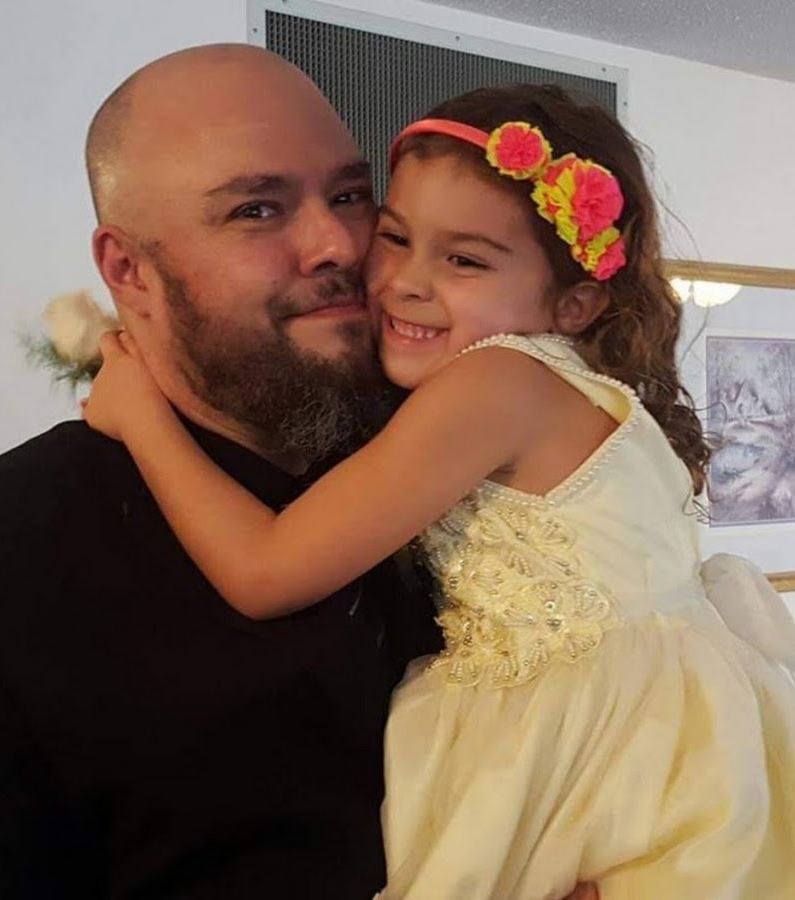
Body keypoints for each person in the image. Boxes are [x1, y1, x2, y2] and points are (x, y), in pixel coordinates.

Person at [84, 83, 795, 898]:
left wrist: (139, 414)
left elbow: (266, 571)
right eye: (394, 237)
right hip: (662, 742)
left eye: (464, 260)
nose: (404, 282)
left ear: (574, 302)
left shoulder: (495, 383)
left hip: (587, 749)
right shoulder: (563, 385)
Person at [0, 44, 446, 898]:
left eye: (350, 195)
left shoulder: (459, 485)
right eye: (257, 210)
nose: (336, 242)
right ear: (129, 270)